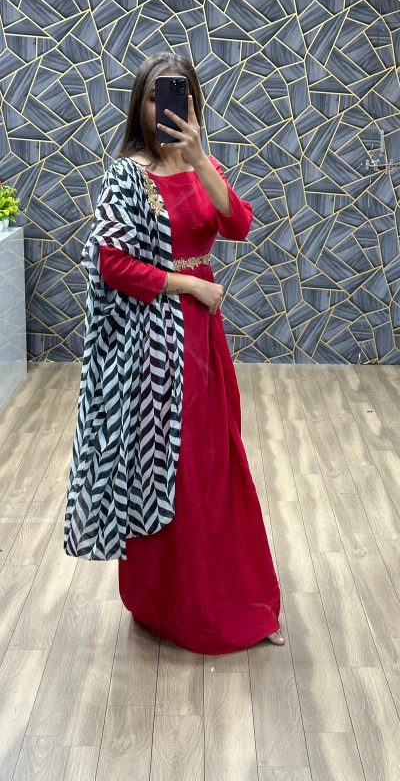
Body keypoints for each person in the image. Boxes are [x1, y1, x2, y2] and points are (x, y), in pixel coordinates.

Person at [70, 51, 284, 653]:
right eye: (155, 96)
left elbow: (238, 225)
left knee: (217, 462)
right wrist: (188, 284)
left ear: (194, 104)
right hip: (154, 342)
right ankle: (171, 606)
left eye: (180, 95)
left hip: (203, 338)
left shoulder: (201, 165)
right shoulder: (127, 176)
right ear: (140, 106)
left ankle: (239, 601)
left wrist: (200, 161)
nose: (166, 107)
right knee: (170, 468)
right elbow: (109, 263)